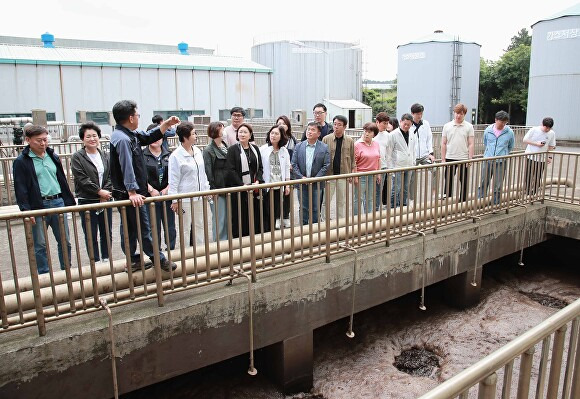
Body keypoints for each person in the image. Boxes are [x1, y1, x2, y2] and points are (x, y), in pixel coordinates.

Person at [109, 100, 178, 273]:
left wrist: (166, 124)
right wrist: (132, 191)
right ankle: (159, 259)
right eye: (138, 115)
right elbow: (127, 166)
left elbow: (148, 136)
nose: (139, 118)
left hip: (131, 192)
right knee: (143, 227)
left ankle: (133, 260)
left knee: (132, 228)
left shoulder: (127, 134)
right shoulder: (123, 139)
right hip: (131, 194)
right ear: (131, 117)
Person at [13, 125, 75, 274]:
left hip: (58, 201)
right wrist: (26, 210)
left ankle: (66, 271)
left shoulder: (52, 155)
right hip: (38, 204)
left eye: (45, 140)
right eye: (38, 140)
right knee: (40, 243)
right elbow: (20, 188)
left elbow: (61, 179)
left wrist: (68, 201)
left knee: (64, 240)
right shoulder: (22, 161)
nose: (43, 144)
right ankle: (44, 274)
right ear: (28, 140)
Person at [71, 122, 113, 263]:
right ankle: (94, 260)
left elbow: (109, 176)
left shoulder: (105, 155)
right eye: (88, 136)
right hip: (88, 200)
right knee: (90, 232)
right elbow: (82, 178)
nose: (92, 139)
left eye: (94, 135)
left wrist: (105, 193)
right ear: (83, 139)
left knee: (106, 231)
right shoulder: (77, 157)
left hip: (105, 199)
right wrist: (99, 192)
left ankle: (106, 258)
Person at [168, 121, 210, 245]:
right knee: (185, 228)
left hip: (200, 196)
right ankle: (185, 255)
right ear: (185, 137)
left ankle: (201, 252)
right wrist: (174, 200)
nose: (196, 136)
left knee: (200, 225)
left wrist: (206, 190)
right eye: (193, 134)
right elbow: (173, 179)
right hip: (184, 198)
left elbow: (203, 173)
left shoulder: (197, 151)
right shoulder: (176, 156)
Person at [225, 123, 264, 238]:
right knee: (239, 217)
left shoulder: (255, 149)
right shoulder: (232, 150)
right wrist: (242, 184)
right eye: (240, 132)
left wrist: (258, 181)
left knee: (254, 215)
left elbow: (260, 167)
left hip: (254, 188)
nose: (242, 134)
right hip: (239, 189)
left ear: (250, 135)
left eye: (245, 132)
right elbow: (230, 170)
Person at [291, 122, 330, 225]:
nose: (309, 132)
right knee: (303, 208)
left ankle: (315, 230)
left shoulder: (324, 147)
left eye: (313, 130)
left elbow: (326, 165)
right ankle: (303, 230)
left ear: (318, 133)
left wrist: (315, 179)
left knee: (316, 208)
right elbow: (294, 164)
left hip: (317, 183)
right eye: (308, 129)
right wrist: (301, 177)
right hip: (302, 182)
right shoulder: (299, 146)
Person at [144, 131, 176, 251]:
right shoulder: (142, 155)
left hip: (167, 196)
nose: (156, 140)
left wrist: (167, 189)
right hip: (150, 197)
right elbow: (139, 175)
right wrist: (151, 189)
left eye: (159, 137)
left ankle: (171, 250)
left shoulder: (169, 154)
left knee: (170, 227)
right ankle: (156, 254)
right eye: (153, 137)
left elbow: (175, 175)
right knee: (153, 226)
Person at [321, 115, 356, 220]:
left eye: (339, 125)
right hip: (329, 175)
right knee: (326, 200)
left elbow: (352, 159)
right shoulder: (326, 139)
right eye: (335, 124)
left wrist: (351, 174)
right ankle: (325, 221)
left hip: (343, 175)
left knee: (341, 201)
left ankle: (340, 222)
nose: (336, 127)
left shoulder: (350, 141)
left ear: (344, 127)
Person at [477, 111, 515, 205]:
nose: (502, 124)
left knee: (498, 185)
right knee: (483, 181)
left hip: (501, 160)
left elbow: (510, 146)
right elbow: (486, 142)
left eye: (505, 122)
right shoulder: (488, 130)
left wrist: (504, 153)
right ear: (495, 120)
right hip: (487, 159)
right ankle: (480, 202)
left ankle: (495, 204)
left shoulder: (509, 132)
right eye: (501, 122)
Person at [441, 103, 474, 202]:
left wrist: (470, 158)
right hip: (450, 156)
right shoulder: (447, 126)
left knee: (464, 181)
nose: (458, 115)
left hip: (463, 157)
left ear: (464, 114)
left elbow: (471, 143)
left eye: (461, 114)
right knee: (448, 180)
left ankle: (463, 201)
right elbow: (443, 143)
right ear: (454, 113)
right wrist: (443, 159)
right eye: (456, 113)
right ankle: (448, 200)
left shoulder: (469, 126)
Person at [260, 125, 291, 230]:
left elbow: (287, 168)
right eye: (272, 133)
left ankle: (272, 232)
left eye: (276, 133)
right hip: (267, 186)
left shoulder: (284, 151)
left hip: (279, 186)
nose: (273, 135)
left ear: (281, 136)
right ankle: (267, 232)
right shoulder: (263, 149)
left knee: (275, 211)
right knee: (266, 212)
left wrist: (287, 185)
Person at [203, 121, 229, 242]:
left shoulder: (225, 145)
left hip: (228, 186)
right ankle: (219, 244)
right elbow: (208, 171)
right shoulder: (208, 150)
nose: (223, 131)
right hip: (217, 188)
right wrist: (212, 190)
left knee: (227, 217)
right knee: (219, 218)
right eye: (221, 128)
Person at [385, 114, 417, 207]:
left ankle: (403, 205)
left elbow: (413, 149)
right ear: (400, 121)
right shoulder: (393, 135)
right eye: (405, 124)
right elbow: (389, 152)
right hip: (397, 166)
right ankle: (392, 206)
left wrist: (414, 162)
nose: (406, 126)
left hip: (409, 164)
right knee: (396, 188)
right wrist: (390, 167)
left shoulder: (412, 133)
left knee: (406, 187)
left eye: (409, 125)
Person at [523, 117, 556, 196]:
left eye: (549, 128)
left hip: (542, 158)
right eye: (546, 127)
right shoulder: (534, 130)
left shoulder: (552, 133)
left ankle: (534, 192)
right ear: (542, 124)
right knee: (528, 174)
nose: (547, 129)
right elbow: (525, 140)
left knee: (538, 176)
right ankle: (527, 192)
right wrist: (536, 144)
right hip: (530, 156)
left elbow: (551, 146)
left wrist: (550, 157)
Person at [354, 123, 381, 215]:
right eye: (365, 131)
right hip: (361, 175)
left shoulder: (376, 144)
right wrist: (355, 176)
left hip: (372, 175)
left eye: (369, 132)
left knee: (370, 198)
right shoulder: (357, 144)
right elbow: (353, 162)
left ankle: (368, 218)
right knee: (358, 198)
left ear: (374, 134)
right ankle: (356, 219)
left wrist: (378, 173)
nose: (366, 134)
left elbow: (378, 159)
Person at [410, 104, 435, 204]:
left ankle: (434, 193)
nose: (419, 116)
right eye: (417, 114)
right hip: (414, 156)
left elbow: (429, 138)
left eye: (421, 114)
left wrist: (431, 153)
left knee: (435, 170)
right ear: (412, 113)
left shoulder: (426, 124)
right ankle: (411, 199)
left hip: (425, 154)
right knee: (412, 177)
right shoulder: (409, 125)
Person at [276, 115, 296, 227]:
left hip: (289, 172)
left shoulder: (293, 140)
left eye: (284, 123)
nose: (281, 126)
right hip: (277, 172)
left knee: (287, 195)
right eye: (279, 124)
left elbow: (296, 154)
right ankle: (277, 217)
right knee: (277, 195)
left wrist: (291, 164)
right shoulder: (274, 137)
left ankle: (285, 216)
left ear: (288, 126)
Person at [373, 112, 390, 209]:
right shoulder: (371, 133)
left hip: (383, 166)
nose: (386, 125)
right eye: (384, 123)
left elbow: (389, 151)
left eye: (387, 123)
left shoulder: (387, 135)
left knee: (379, 190)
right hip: (371, 167)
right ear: (377, 122)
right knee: (370, 191)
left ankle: (376, 210)